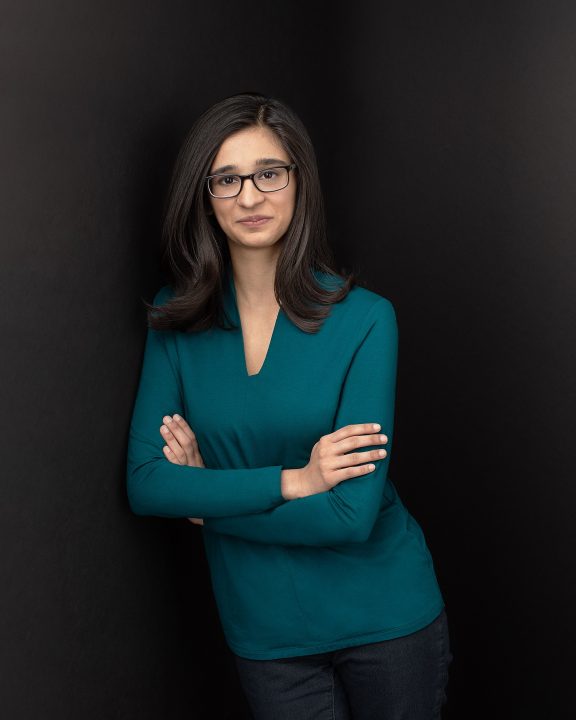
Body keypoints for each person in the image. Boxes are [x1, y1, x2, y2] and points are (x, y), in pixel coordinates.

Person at [126, 91, 453, 719]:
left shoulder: (364, 319)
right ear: (204, 194)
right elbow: (146, 485)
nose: (250, 197)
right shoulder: (177, 320)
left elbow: (351, 515)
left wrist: (205, 503)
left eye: (269, 173)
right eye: (227, 179)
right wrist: (296, 480)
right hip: (265, 634)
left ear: (299, 180)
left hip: (386, 617)